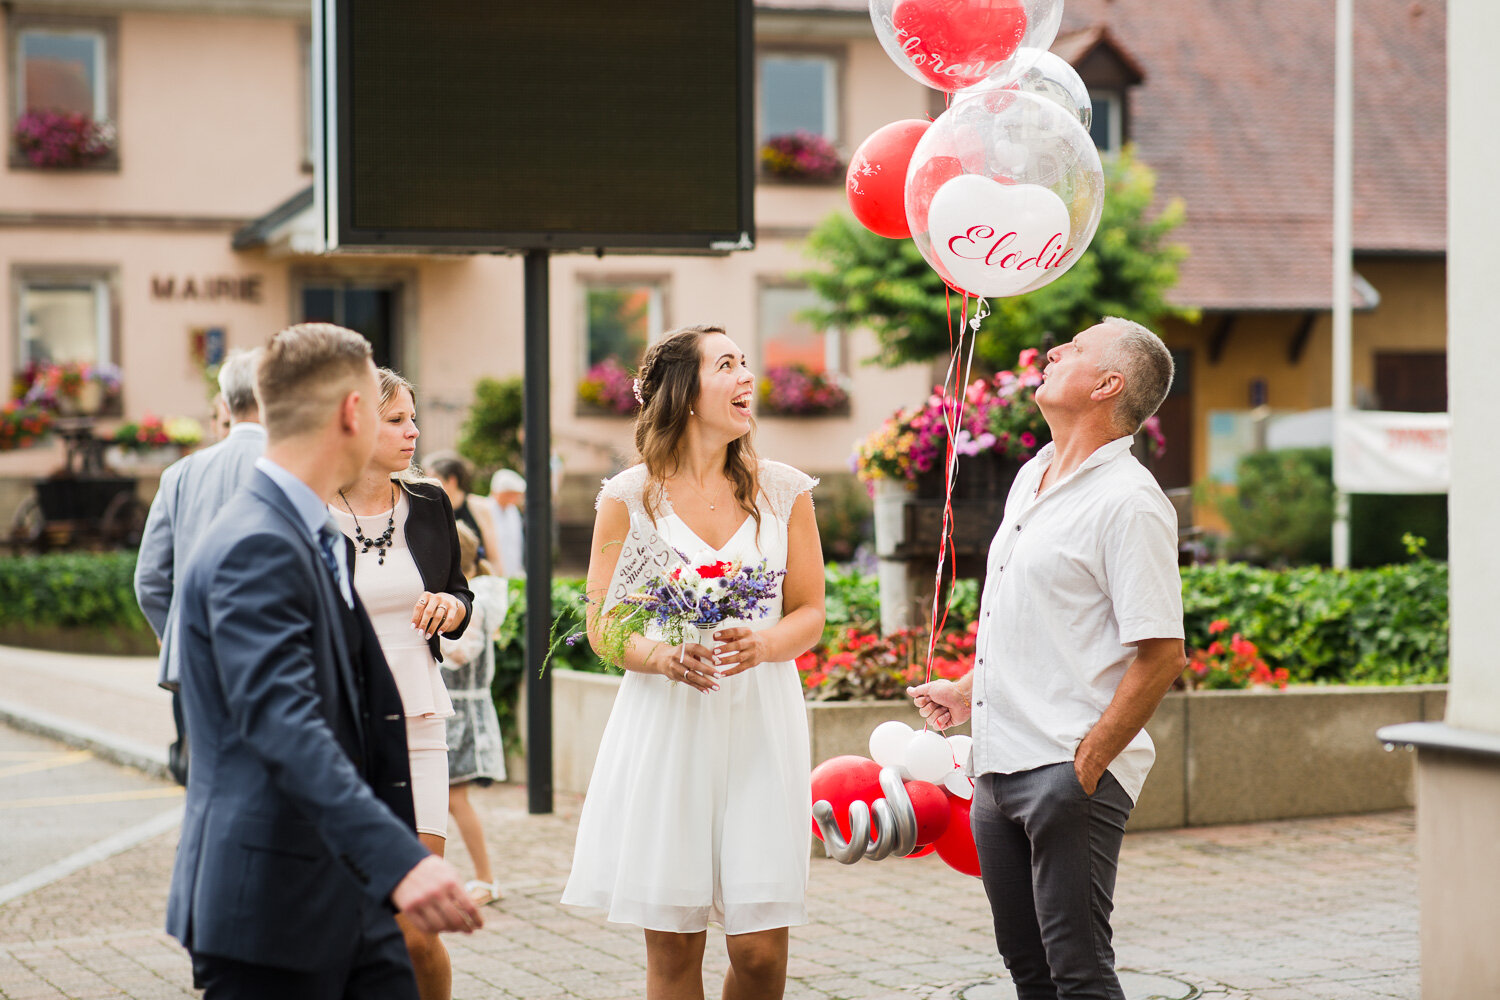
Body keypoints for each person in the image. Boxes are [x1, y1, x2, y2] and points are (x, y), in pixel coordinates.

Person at [166, 323, 481, 999]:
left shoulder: (306, 531)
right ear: (351, 413)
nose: (409, 430)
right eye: (385, 407)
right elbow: (285, 725)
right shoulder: (258, 542)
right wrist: (403, 859)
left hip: (345, 894)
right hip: (274, 911)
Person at [908, 317, 1187, 1000]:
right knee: (1028, 973)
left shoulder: (1130, 502)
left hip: (1064, 775)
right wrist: (968, 686)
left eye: (1078, 349)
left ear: (1107, 384)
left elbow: (1162, 653)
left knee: (1079, 975)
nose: (1056, 351)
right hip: (996, 769)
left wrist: (1084, 766)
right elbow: (1040, 623)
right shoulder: (1032, 475)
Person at [561, 324, 825, 1000]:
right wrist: (659, 654)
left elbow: (810, 614)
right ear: (682, 392)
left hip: (762, 727)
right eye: (728, 365)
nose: (749, 378)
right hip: (670, 726)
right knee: (676, 952)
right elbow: (603, 626)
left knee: (762, 954)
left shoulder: (785, 492)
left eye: (747, 364)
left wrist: (765, 643)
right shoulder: (630, 497)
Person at [330, 368, 473, 1000]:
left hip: (418, 719)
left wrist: (451, 606)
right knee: (348, 920)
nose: (413, 431)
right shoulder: (308, 511)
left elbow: (459, 590)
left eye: (414, 418)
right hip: (340, 731)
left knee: (419, 920)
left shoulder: (431, 502)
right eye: (396, 420)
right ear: (356, 423)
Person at [135, 348, 265, 786]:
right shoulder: (293, 467)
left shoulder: (179, 474)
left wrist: (174, 631)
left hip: (193, 658)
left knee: (207, 784)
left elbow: (149, 579)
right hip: (269, 653)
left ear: (225, 405)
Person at [440, 521, 509, 907]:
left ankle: (485, 877)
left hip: (461, 711)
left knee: (454, 797)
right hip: (453, 708)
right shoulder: (476, 595)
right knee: (446, 798)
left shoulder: (474, 602)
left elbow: (463, 651)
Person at [426, 451, 503, 571]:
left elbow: (494, 556)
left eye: (433, 479)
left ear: (451, 480)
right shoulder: (430, 510)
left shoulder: (479, 507)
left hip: (477, 580)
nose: (428, 485)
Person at [485, 468, 525, 578]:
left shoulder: (513, 511)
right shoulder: (485, 508)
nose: (518, 498)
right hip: (492, 574)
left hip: (513, 572)